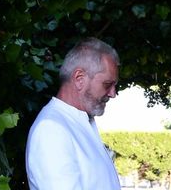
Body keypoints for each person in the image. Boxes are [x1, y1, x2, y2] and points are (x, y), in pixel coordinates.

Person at [25, 37, 121, 190]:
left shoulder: (77, 122)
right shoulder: (51, 129)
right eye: (107, 84)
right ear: (79, 78)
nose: (113, 94)